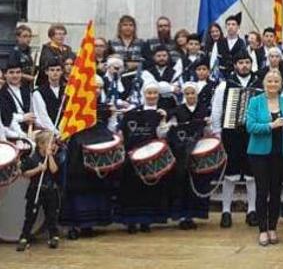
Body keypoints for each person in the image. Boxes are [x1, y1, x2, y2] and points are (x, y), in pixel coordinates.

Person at [211, 51, 263, 228]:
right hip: (230, 133)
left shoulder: (260, 84)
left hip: (253, 134)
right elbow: (216, 111)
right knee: (230, 174)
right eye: (240, 62)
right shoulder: (224, 85)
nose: (244, 65)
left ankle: (252, 211)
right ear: (235, 65)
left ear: (251, 64)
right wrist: (217, 134)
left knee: (252, 175)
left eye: (247, 62)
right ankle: (226, 211)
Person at [61, 80, 117, 239]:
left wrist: (112, 116)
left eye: (100, 87)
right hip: (78, 152)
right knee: (79, 186)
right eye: (95, 88)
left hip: (98, 151)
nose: (97, 90)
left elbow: (111, 129)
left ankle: (93, 223)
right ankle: (77, 223)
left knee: (97, 184)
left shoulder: (104, 107)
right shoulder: (75, 106)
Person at [246, 69, 283, 246]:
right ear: (264, 83)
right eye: (269, 81)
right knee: (261, 191)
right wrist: (271, 125)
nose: (272, 84)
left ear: (281, 84)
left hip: (279, 153)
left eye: (276, 81)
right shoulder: (255, 102)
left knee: (275, 192)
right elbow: (250, 126)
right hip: (259, 153)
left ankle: (273, 227)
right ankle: (262, 229)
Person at [116, 81, 170, 233]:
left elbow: (162, 135)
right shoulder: (132, 112)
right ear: (143, 94)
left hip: (151, 158)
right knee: (131, 189)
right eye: (149, 93)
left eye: (154, 93)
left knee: (149, 190)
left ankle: (146, 221)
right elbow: (121, 131)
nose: (151, 96)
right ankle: (131, 222)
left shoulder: (161, 113)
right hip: (132, 157)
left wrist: (164, 121)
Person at [166, 81, 213, 230]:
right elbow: (168, 130)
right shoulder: (177, 110)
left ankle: (192, 215)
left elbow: (209, 132)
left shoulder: (204, 110)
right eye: (187, 93)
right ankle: (182, 216)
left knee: (197, 182)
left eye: (193, 93)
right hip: (181, 153)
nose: (190, 96)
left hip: (199, 153)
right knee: (182, 183)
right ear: (184, 95)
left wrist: (208, 125)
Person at [16, 130, 61, 251]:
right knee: (30, 215)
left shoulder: (52, 156)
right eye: (50, 143)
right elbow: (25, 173)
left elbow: (54, 170)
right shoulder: (32, 158)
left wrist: (50, 155)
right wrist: (38, 169)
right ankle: (24, 237)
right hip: (35, 190)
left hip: (50, 190)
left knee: (51, 215)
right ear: (41, 144)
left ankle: (53, 236)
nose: (53, 145)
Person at [0, 59, 33, 140]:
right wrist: (23, 117)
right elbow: (6, 117)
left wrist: (32, 119)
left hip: (29, 127)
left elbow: (32, 109)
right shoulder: (2, 91)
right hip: (11, 131)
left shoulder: (26, 89)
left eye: (18, 72)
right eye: (11, 72)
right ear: (5, 75)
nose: (15, 75)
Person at [31, 59, 65, 133]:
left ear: (62, 72)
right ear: (46, 72)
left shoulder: (67, 90)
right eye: (52, 70)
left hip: (66, 131)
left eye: (58, 70)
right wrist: (56, 133)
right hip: (47, 132)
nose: (55, 73)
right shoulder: (38, 93)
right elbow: (43, 117)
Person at [212, 13, 247, 78]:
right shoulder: (218, 43)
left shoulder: (242, 43)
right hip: (221, 77)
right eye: (228, 24)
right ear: (225, 27)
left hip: (237, 77)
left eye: (233, 24)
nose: (230, 27)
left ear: (238, 27)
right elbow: (213, 62)